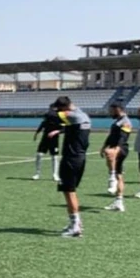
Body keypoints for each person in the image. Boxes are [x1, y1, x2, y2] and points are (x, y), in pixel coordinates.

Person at [48, 96, 90, 237]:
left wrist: (54, 110)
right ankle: (76, 223)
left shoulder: (70, 115)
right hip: (80, 157)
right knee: (71, 191)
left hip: (71, 158)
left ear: (64, 107)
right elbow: (73, 128)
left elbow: (51, 115)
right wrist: (59, 131)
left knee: (68, 191)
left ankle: (75, 226)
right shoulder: (83, 116)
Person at [100, 103, 132, 212]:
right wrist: (104, 146)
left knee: (109, 153)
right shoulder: (117, 121)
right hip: (115, 147)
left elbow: (123, 137)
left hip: (121, 148)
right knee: (120, 176)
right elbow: (111, 136)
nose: (110, 113)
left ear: (118, 109)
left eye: (111, 111)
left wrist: (117, 149)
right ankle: (119, 202)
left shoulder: (126, 121)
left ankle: (112, 179)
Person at [33, 103, 62, 181]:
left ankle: (55, 175)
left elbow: (64, 128)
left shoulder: (60, 116)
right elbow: (42, 124)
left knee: (54, 156)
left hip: (54, 139)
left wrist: (56, 131)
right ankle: (37, 174)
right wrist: (37, 133)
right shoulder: (47, 115)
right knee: (39, 154)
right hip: (45, 138)